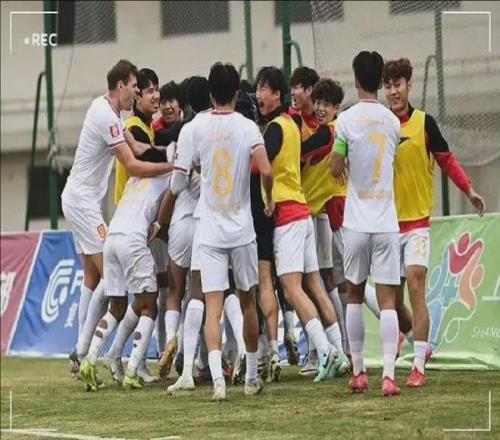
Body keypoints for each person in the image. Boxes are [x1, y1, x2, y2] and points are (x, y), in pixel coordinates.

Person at [165, 63, 274, 401]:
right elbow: (266, 170)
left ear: (211, 94)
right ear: (237, 94)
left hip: (209, 230)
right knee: (247, 302)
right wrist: (268, 199)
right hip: (242, 229)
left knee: (211, 305)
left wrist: (197, 168)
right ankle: (251, 377)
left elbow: (177, 183)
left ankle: (217, 382)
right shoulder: (247, 126)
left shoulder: (194, 128)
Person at [62, 60, 171, 376]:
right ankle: (83, 351)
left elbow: (136, 146)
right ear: (121, 85)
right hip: (84, 204)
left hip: (82, 200)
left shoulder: (107, 110)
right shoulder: (107, 117)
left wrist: (166, 152)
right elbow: (132, 164)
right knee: (112, 278)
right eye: (136, 87)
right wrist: (171, 167)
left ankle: (81, 351)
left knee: (93, 277)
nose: (136, 93)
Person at [382, 58, 486, 387]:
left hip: (417, 226)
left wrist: (469, 190)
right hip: (386, 227)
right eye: (388, 85)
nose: (393, 91)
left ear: (409, 87)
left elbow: (447, 160)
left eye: (398, 84)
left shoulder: (425, 123)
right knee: (392, 300)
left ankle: (418, 367)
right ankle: (417, 342)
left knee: (416, 285)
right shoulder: (381, 125)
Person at [255, 66, 348, 384]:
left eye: (264, 89)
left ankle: (325, 351)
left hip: (288, 215)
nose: (259, 95)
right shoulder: (292, 125)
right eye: (257, 89)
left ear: (277, 94)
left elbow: (261, 168)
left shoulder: (275, 129)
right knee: (315, 287)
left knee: (292, 289)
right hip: (304, 213)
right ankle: (340, 353)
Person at [331, 51, 402, 397]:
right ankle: (389, 375)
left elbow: (335, 166)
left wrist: (341, 163)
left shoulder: (345, 121)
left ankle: (359, 371)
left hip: (356, 222)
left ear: (356, 80)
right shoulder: (393, 122)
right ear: (380, 81)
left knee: (355, 295)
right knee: (388, 300)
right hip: (386, 221)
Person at [104, 67, 168, 385]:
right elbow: (144, 160)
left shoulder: (145, 127)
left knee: (130, 299)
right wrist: (174, 158)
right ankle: (128, 362)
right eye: (149, 90)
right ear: (135, 93)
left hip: (126, 223)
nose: (156, 96)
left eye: (158, 89)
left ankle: (107, 355)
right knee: (147, 299)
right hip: (134, 222)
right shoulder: (134, 128)